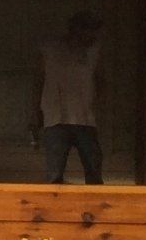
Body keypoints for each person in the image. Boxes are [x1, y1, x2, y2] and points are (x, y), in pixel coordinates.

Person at [33, 11, 104, 184]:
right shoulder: (50, 50)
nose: (92, 35)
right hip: (56, 118)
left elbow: (101, 80)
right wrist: (35, 113)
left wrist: (99, 105)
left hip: (86, 119)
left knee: (93, 169)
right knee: (54, 173)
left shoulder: (93, 53)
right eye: (88, 29)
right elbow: (38, 81)